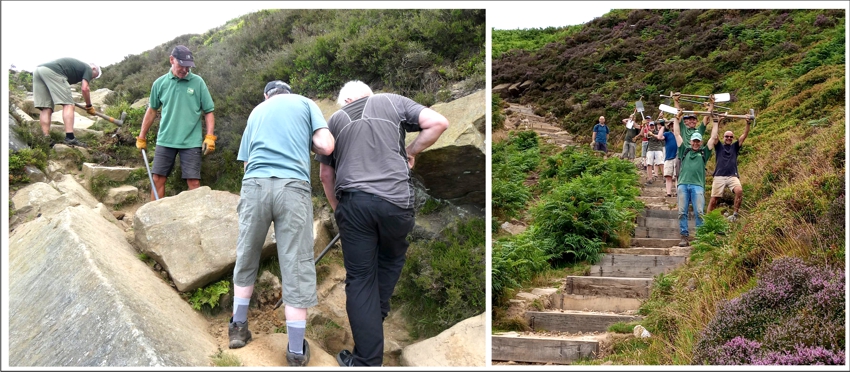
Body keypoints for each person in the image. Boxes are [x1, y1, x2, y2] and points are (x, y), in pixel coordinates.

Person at [316, 81, 449, 367]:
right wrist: (411, 151)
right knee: (387, 266)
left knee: (361, 280)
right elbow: (438, 123)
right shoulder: (393, 102)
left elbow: (326, 174)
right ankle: (369, 344)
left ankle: (367, 360)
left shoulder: (335, 121)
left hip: (355, 204)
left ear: (348, 99)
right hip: (398, 206)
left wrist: (341, 210)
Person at [228, 80, 335, 367]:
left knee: (247, 253)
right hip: (293, 187)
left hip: (255, 186)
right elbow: (326, 144)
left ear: (267, 95)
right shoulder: (306, 103)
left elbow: (247, 162)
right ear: (289, 92)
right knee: (297, 263)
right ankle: (296, 351)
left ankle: (238, 327)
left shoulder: (257, 111)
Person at [136, 45, 216, 201]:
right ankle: (155, 216)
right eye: (182, 66)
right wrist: (142, 136)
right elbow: (152, 111)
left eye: (188, 67)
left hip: (191, 141)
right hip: (166, 139)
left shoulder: (198, 82)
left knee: (193, 182)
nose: (185, 70)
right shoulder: (160, 83)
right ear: (171, 60)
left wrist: (210, 136)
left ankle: (196, 220)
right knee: (158, 179)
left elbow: (209, 111)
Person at [672, 104, 719, 247]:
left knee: (699, 211)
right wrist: (676, 118)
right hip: (683, 184)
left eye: (698, 141)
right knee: (682, 211)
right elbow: (677, 134)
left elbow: (713, 138)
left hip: (697, 185)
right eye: (694, 141)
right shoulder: (683, 151)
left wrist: (716, 122)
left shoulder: (704, 153)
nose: (696, 143)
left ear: (700, 142)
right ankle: (684, 236)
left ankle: (699, 237)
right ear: (691, 141)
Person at [33, 58, 102, 147]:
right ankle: (70, 138)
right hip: (53, 72)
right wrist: (89, 105)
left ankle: (45, 139)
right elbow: (85, 88)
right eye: (93, 76)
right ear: (93, 69)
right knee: (68, 105)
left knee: (45, 108)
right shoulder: (88, 68)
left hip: (39, 70)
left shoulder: (76, 68)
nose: (91, 78)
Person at [707, 118, 751, 221]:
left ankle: (735, 214)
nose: (729, 138)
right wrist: (717, 122)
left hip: (732, 175)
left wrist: (748, 123)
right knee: (714, 199)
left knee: (739, 190)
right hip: (719, 175)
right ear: (723, 137)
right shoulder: (718, 146)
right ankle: (708, 221)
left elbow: (744, 135)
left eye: (731, 137)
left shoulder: (735, 147)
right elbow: (714, 135)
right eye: (727, 136)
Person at [656, 119, 679, 197]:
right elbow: (659, 137)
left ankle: (677, 192)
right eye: (672, 125)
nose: (673, 126)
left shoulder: (680, 134)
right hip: (669, 157)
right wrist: (662, 126)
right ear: (669, 126)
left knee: (677, 176)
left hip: (678, 157)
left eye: (674, 124)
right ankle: (668, 193)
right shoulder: (667, 134)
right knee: (668, 176)